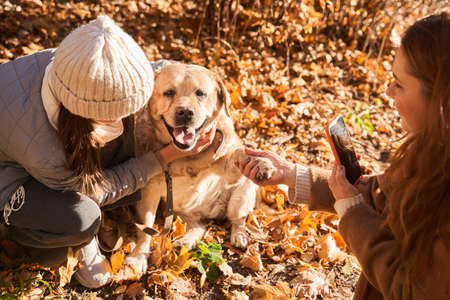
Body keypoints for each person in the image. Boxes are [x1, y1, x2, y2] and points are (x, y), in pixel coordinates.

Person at [238, 12, 450, 299]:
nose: (388, 92)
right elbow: (382, 195)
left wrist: (352, 212)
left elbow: (412, 291)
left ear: (440, 98)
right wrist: (289, 174)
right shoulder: (430, 149)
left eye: (399, 84)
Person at [0, 15, 217, 289]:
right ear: (86, 113)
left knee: (130, 122)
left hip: (35, 139)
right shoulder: (44, 151)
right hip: (11, 180)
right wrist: (166, 155)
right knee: (80, 219)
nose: (123, 119)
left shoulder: (77, 60)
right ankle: (52, 236)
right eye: (110, 115)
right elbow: (98, 189)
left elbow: (134, 76)